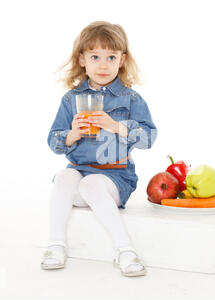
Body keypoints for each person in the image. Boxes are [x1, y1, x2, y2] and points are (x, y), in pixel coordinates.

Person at [41, 21, 157, 277]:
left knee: (92, 184)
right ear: (82, 59)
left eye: (111, 57)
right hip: (79, 173)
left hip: (115, 177)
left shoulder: (131, 99)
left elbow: (149, 138)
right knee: (64, 177)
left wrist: (117, 126)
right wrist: (71, 135)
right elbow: (53, 141)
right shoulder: (71, 99)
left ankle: (125, 250)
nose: (103, 65)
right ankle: (56, 245)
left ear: (122, 60)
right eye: (95, 56)